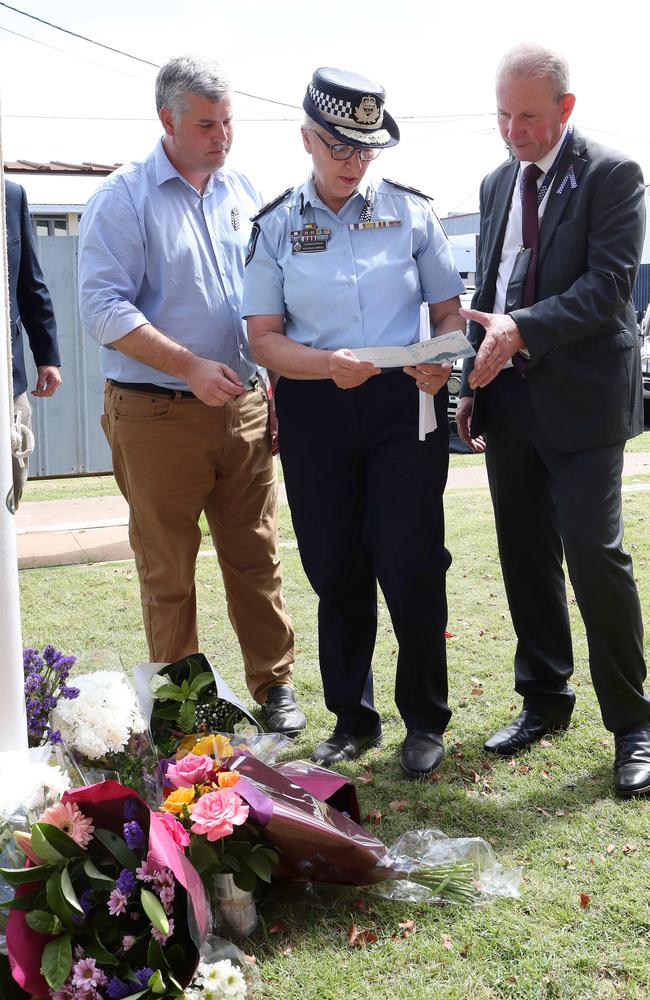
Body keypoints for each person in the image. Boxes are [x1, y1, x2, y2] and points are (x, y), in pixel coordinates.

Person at [243, 68, 465, 777]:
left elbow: (449, 314)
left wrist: (441, 361)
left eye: (366, 148)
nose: (354, 161)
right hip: (316, 407)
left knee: (411, 563)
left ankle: (425, 720)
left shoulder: (412, 213)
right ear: (307, 138)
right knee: (336, 567)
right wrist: (321, 363)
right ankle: (352, 717)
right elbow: (263, 338)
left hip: (405, 406)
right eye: (340, 147)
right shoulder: (276, 225)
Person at [78, 54, 305, 736]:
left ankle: (275, 688)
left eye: (229, 121)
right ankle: (185, 709)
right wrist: (188, 365)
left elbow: (269, 296)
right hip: (157, 415)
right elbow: (101, 308)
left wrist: (273, 385)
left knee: (255, 556)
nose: (222, 135)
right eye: (207, 123)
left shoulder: (243, 191)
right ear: (166, 120)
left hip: (243, 408)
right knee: (168, 570)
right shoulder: (123, 199)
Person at [456, 43, 650, 796]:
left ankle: (633, 724)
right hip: (509, 400)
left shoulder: (612, 174)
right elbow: (493, 283)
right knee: (524, 552)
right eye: (502, 115)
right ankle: (544, 698)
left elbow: (609, 289)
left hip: (583, 399)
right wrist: (475, 380)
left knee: (595, 554)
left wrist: (522, 329)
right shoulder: (495, 181)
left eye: (528, 117)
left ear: (565, 110)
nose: (513, 130)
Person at [5, 179, 62, 508]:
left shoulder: (11, 195)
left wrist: (47, 358)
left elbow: (30, 283)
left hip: (10, 383)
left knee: (13, 481)